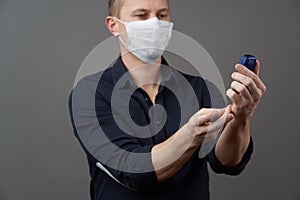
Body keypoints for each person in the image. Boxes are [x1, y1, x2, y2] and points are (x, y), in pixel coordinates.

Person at [69, 0, 267, 199]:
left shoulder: (199, 88)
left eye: (162, 15)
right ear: (114, 25)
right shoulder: (90, 93)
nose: (155, 24)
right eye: (141, 15)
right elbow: (133, 172)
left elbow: (226, 162)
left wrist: (242, 117)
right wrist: (190, 135)